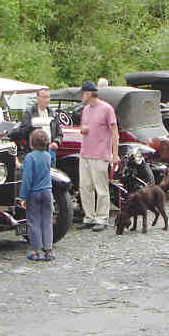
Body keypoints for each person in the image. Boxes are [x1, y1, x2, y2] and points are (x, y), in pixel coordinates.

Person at [76, 81, 120, 232]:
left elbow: (115, 132)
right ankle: (89, 217)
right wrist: (82, 130)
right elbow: (84, 127)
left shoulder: (107, 109)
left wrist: (115, 154)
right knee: (85, 186)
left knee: (101, 188)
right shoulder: (86, 109)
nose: (82, 96)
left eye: (83, 93)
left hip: (100, 154)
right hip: (85, 153)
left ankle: (102, 218)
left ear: (88, 94)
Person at [20, 129, 55, 261]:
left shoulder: (30, 157)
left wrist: (23, 197)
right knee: (47, 221)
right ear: (46, 143)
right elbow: (50, 164)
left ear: (31, 144)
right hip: (47, 192)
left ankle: (35, 251)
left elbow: (27, 178)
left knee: (33, 222)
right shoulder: (47, 156)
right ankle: (48, 251)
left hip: (34, 194)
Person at [17, 88, 62, 160]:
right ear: (37, 98)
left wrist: (56, 142)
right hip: (35, 151)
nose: (46, 100)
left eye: (48, 97)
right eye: (44, 97)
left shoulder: (53, 113)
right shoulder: (29, 112)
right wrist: (34, 124)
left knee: (51, 171)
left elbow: (59, 133)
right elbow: (22, 132)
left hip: (50, 149)